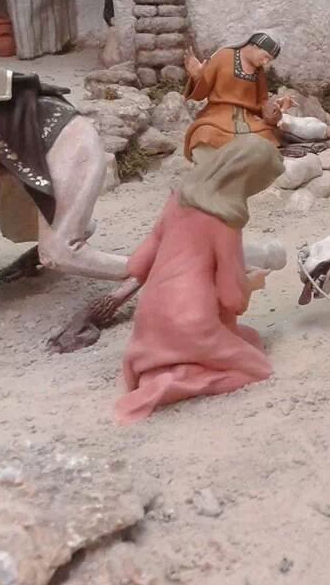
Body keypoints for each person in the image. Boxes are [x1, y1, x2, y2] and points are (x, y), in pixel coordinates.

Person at [114, 135, 285, 424]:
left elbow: (135, 266)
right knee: (257, 367)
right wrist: (251, 283)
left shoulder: (176, 200)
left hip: (150, 319)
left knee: (251, 338)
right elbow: (232, 299)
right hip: (192, 320)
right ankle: (175, 383)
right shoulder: (224, 219)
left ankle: (172, 367)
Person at [182, 32, 330, 165]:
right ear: (254, 46)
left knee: (267, 134)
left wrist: (275, 109)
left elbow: (262, 102)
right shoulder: (223, 56)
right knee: (205, 132)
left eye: (269, 60)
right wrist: (197, 77)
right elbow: (201, 93)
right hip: (218, 114)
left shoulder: (259, 71)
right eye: (265, 57)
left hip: (247, 118)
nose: (265, 62)